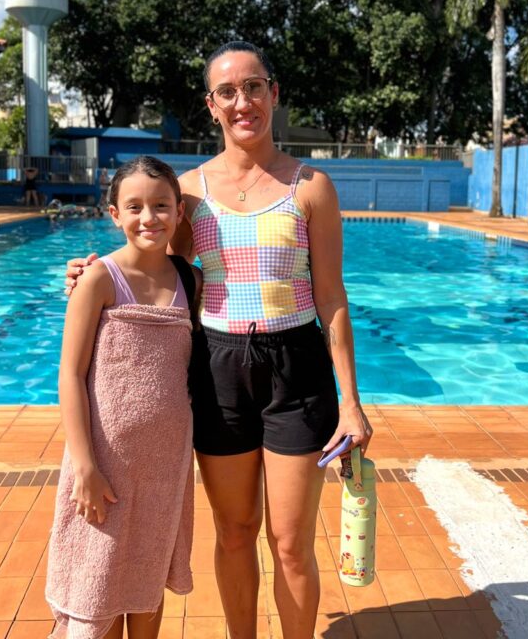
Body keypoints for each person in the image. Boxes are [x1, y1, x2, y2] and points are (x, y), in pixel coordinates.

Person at [65, 41, 372, 639]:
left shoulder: (311, 186)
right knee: (234, 533)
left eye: (253, 87)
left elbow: (332, 297)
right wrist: (91, 274)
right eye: (227, 92)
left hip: (297, 366)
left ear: (273, 93)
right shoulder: (191, 193)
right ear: (212, 105)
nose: (242, 102)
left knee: (290, 542)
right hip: (219, 368)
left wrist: (352, 402)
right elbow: (160, 269)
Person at [46, 156, 201, 639]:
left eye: (161, 206)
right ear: (114, 215)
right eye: (134, 207)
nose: (148, 217)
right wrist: (85, 467)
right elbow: (70, 375)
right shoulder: (99, 279)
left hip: (163, 468)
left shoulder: (190, 282)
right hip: (106, 465)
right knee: (102, 586)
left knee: (147, 581)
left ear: (179, 212)